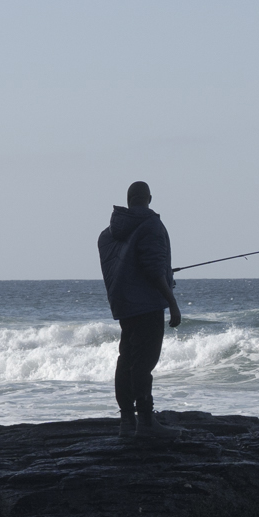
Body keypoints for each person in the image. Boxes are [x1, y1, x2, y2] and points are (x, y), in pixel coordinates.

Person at [97, 180, 180, 438]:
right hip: (147, 305)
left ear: (129, 199)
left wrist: (163, 274)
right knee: (143, 364)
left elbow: (127, 267)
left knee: (126, 361)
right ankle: (145, 422)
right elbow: (153, 270)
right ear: (149, 198)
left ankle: (126, 422)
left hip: (124, 305)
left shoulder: (107, 235)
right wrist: (172, 302)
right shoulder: (151, 226)